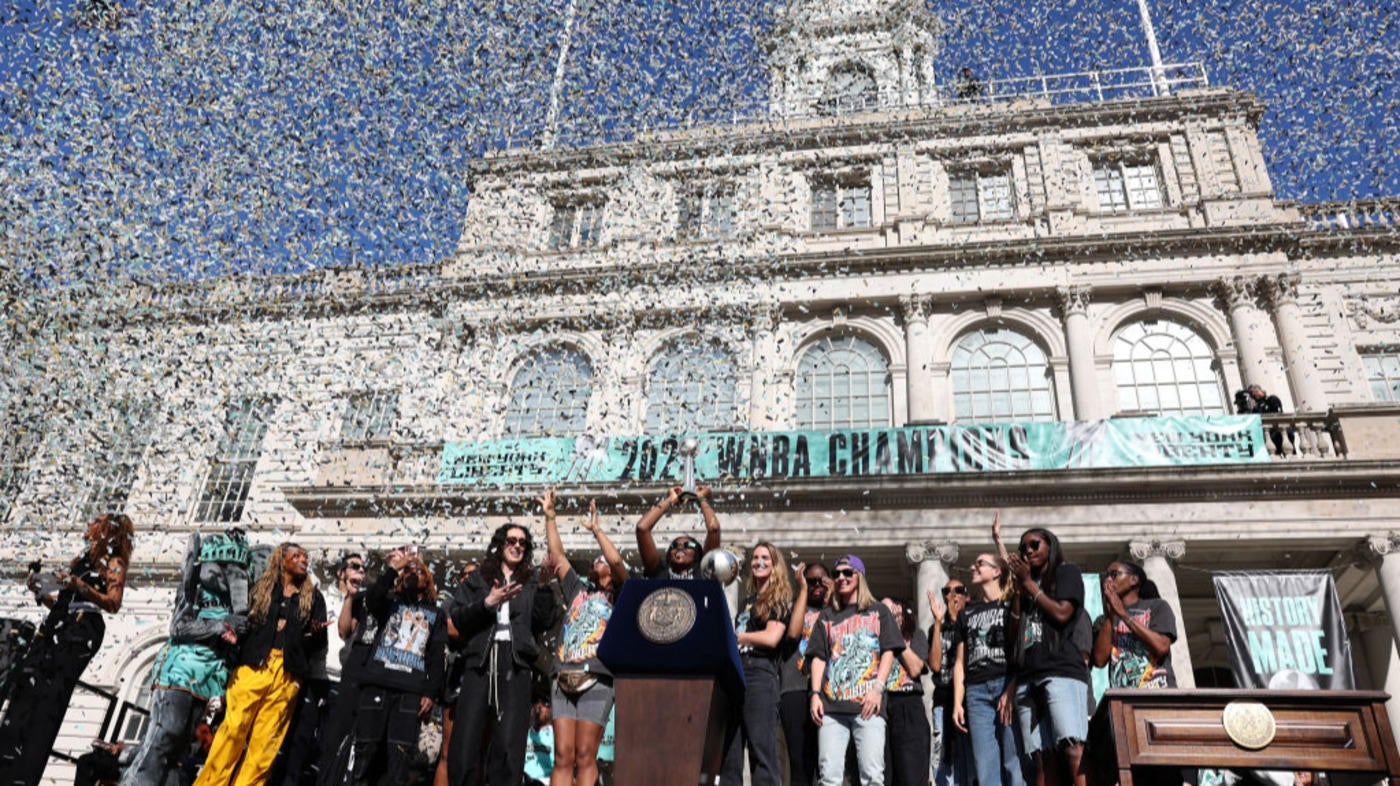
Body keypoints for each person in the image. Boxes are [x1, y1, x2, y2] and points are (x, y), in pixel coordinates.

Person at [0, 513, 134, 786]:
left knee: (49, 698)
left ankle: (23, 776)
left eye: (96, 521)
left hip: (82, 631)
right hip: (58, 624)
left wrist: (80, 586)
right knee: (25, 690)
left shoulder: (114, 562)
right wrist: (41, 591)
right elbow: (64, 602)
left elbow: (113, 602)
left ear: (108, 529)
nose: (88, 523)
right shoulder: (83, 560)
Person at [124, 530, 254, 786]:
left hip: (211, 676)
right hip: (181, 669)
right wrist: (220, 626)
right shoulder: (194, 588)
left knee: (183, 751)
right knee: (165, 735)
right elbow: (178, 627)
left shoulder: (238, 602)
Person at [195, 542, 329, 786]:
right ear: (281, 560)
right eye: (296, 555)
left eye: (305, 557)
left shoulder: (314, 597)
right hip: (252, 667)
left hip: (287, 675)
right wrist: (235, 635)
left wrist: (315, 632)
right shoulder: (261, 589)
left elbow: (319, 646)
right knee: (233, 730)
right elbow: (244, 623)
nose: (303, 560)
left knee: (265, 744)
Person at [448, 523, 559, 786]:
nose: (517, 546)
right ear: (500, 544)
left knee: (509, 746)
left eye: (523, 542)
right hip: (480, 662)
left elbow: (544, 621)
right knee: (465, 744)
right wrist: (487, 603)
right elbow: (457, 618)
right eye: (511, 540)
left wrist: (543, 587)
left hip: (516, 663)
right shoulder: (478, 579)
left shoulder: (532, 580)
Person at [340, 547, 447, 785]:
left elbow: (436, 656)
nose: (412, 573)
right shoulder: (388, 602)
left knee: (398, 757)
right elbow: (372, 597)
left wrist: (430, 692)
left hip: (409, 692)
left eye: (419, 570)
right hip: (377, 684)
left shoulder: (435, 614)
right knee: (366, 752)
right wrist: (394, 569)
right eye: (408, 570)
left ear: (428, 579)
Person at [541, 491, 627, 786]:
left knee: (585, 754)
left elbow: (617, 562)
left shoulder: (622, 597)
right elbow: (559, 557)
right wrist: (550, 515)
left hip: (598, 677)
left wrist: (597, 530)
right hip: (563, 674)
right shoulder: (579, 591)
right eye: (595, 561)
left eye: (600, 561)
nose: (596, 562)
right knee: (563, 755)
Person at [1002, 524, 1089, 786]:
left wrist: (1029, 584)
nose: (1028, 551)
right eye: (1023, 547)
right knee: (1040, 757)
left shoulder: (1066, 572)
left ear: (1050, 545)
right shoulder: (1025, 588)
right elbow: (1013, 636)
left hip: (1060, 671)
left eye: (1034, 544)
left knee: (1072, 746)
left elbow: (1063, 613)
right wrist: (1018, 592)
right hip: (1029, 677)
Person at [806, 555, 904, 786]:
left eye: (848, 572)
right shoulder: (827, 616)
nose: (841, 577)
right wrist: (814, 695)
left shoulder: (878, 610)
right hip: (832, 709)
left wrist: (878, 689)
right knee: (828, 777)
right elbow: (819, 657)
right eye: (837, 573)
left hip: (868, 706)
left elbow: (889, 651)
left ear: (859, 576)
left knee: (872, 776)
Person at [1089, 560, 1180, 786]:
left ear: (1134, 579)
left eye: (1113, 573)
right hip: (1123, 710)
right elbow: (1099, 660)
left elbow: (1160, 647)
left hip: (1156, 702)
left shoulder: (1156, 607)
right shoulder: (1106, 619)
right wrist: (1112, 616)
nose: (1107, 579)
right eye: (1105, 575)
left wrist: (1124, 615)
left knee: (1164, 771)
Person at [721, 542, 793, 786]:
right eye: (755, 558)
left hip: (760, 675)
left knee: (762, 750)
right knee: (730, 753)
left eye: (765, 558)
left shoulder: (779, 598)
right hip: (737, 674)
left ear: (775, 566)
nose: (758, 562)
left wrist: (738, 637)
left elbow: (772, 638)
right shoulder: (747, 601)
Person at [953, 546, 1024, 786]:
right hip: (976, 693)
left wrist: (998, 540)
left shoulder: (1010, 604)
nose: (974, 567)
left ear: (996, 572)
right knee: (985, 767)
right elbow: (960, 662)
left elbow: (1014, 573)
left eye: (980, 563)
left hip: (1005, 684)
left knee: (1014, 762)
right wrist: (957, 703)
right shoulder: (967, 613)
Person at [781, 563, 833, 786]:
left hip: (828, 692)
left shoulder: (836, 610)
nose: (817, 586)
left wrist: (833, 599)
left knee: (829, 764)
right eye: (811, 581)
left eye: (822, 581)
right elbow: (793, 634)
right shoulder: (792, 607)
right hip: (795, 689)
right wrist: (802, 589)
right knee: (800, 762)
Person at [880, 598, 930, 786]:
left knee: (912, 776)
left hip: (909, 705)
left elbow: (916, 668)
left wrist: (893, 633)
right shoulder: (874, 638)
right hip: (882, 708)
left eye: (894, 613)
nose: (891, 618)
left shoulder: (916, 635)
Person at [929, 579, 970, 786]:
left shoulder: (972, 621)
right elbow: (935, 665)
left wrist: (957, 621)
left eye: (958, 590)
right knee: (942, 754)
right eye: (947, 590)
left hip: (969, 700)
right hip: (943, 698)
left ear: (967, 596)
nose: (953, 594)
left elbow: (965, 659)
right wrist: (938, 623)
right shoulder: (936, 627)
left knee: (967, 755)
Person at [634, 485, 720, 579]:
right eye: (674, 546)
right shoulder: (659, 572)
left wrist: (702, 498)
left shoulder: (704, 571)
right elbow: (642, 528)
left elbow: (714, 529)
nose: (680, 547)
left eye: (688, 545)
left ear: (697, 554)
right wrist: (670, 499)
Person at [1234, 384, 1290, 454]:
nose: (1253, 397)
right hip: (1269, 439)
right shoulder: (1256, 407)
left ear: (1257, 391)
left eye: (1252, 394)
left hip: (1279, 434)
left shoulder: (1271, 399)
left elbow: (1278, 416)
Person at [523, 700, 555, 786]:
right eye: (536, 701)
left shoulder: (558, 736)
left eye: (545, 703)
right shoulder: (523, 735)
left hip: (547, 781)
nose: (539, 706)